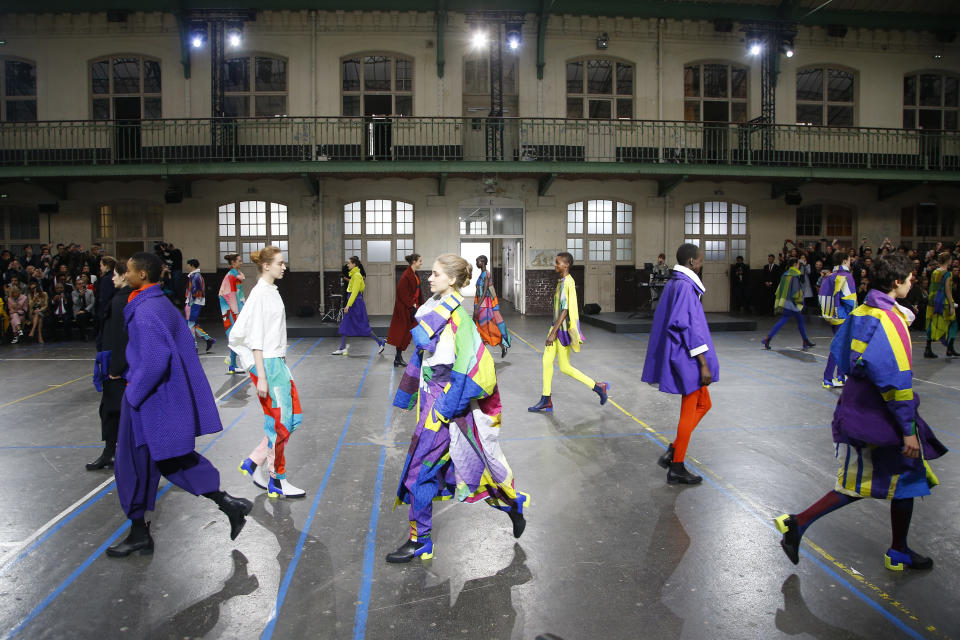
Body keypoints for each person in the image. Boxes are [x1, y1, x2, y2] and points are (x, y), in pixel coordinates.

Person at [774, 254, 948, 571]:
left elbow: (840, 352)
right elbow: (897, 382)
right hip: (879, 417)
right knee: (872, 482)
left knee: (901, 479)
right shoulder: (890, 320)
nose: (913, 283)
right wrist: (908, 428)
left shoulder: (864, 311)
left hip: (858, 406)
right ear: (897, 282)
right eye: (910, 278)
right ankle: (800, 523)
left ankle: (897, 550)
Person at [107, 251, 251, 558]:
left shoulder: (145, 311)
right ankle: (228, 504)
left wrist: (133, 395)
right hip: (163, 398)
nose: (125, 274)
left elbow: (156, 360)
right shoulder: (161, 305)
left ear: (142, 275)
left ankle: (139, 534)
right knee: (171, 460)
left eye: (128, 270)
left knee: (133, 465)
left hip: (148, 400)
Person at [387, 253, 528, 563]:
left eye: (436, 273)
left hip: (444, 403)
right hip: (432, 400)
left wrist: (443, 410)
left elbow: (470, 370)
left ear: (451, 279)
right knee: (472, 468)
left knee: (418, 472)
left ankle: (420, 540)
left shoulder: (459, 320)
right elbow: (423, 358)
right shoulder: (431, 308)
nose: (430, 277)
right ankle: (511, 503)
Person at [230, 247, 306, 499]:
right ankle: (277, 479)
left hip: (278, 363)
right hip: (268, 365)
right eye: (280, 263)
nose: (284, 267)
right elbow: (255, 338)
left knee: (292, 418)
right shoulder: (260, 294)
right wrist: (260, 374)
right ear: (266, 266)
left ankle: (254, 461)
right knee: (280, 423)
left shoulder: (271, 291)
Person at [641, 243, 718, 485]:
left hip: (682, 352)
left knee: (704, 403)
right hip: (688, 355)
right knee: (690, 407)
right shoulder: (685, 287)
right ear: (692, 262)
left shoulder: (675, 283)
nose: (701, 264)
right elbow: (687, 326)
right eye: (700, 260)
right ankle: (677, 466)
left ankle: (675, 449)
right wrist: (703, 363)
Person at [528, 252, 610, 413]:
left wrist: (554, 332)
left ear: (566, 265)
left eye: (558, 263)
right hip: (556, 327)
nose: (555, 265)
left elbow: (565, 309)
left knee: (565, 367)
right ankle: (546, 399)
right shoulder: (562, 281)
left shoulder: (568, 283)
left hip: (561, 330)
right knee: (547, 362)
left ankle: (598, 387)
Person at [88, 261, 132, 471]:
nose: (112, 278)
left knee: (114, 410)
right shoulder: (120, 298)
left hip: (118, 365)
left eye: (115, 275)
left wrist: (116, 368)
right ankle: (110, 452)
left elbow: (122, 337)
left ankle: (115, 453)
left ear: (124, 275)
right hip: (114, 361)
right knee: (110, 410)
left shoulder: (123, 301)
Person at [818, 251, 857, 388]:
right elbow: (851, 300)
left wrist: (830, 314)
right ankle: (828, 377)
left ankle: (841, 376)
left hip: (833, 317)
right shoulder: (847, 277)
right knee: (839, 347)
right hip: (844, 317)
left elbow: (822, 297)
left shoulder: (829, 277)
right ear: (845, 260)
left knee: (843, 347)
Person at [332, 256, 385, 356]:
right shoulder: (356, 275)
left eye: (349, 263)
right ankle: (342, 348)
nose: (347, 265)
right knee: (345, 325)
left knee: (363, 327)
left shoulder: (356, 275)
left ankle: (380, 342)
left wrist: (348, 305)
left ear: (354, 264)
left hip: (356, 304)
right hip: (354, 303)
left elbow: (355, 292)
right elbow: (362, 288)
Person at [761, 257, 815, 351]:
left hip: (786, 301)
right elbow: (795, 290)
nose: (799, 266)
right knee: (787, 320)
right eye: (798, 264)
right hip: (793, 303)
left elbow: (780, 288)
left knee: (798, 320)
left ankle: (805, 340)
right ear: (795, 264)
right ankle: (768, 338)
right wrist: (800, 301)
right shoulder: (795, 275)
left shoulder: (785, 274)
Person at [386, 253, 423, 368]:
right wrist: (411, 305)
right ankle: (398, 358)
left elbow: (418, 292)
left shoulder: (414, 274)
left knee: (407, 333)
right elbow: (401, 292)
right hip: (405, 309)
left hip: (412, 307)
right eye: (420, 261)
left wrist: (420, 305)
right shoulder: (407, 275)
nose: (421, 263)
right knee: (403, 333)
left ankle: (398, 358)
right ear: (414, 262)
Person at [473, 254, 511, 358]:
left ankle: (501, 345)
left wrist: (477, 307)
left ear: (483, 262)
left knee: (486, 328)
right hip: (481, 304)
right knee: (483, 328)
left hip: (484, 306)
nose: (476, 263)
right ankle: (485, 351)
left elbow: (485, 291)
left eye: (478, 261)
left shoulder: (486, 274)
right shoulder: (482, 274)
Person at [924, 251, 958, 359]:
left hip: (933, 301)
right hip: (943, 302)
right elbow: (947, 290)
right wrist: (952, 305)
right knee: (953, 323)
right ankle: (950, 348)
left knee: (932, 323)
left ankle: (928, 348)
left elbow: (932, 287)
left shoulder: (935, 272)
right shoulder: (947, 273)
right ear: (948, 260)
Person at [218, 253, 247, 374]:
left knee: (237, 335)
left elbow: (239, 293)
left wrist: (243, 306)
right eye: (239, 261)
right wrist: (236, 311)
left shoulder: (236, 275)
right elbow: (230, 295)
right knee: (235, 334)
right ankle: (232, 363)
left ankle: (232, 362)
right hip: (231, 308)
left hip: (236, 306)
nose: (241, 262)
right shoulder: (231, 276)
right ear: (233, 263)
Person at [185, 258, 215, 353]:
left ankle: (194, 346)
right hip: (195, 302)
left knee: (190, 324)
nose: (187, 266)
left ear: (192, 265)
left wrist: (191, 301)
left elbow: (195, 291)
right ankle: (208, 339)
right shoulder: (195, 275)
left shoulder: (195, 276)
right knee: (192, 324)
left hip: (194, 302)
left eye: (188, 265)